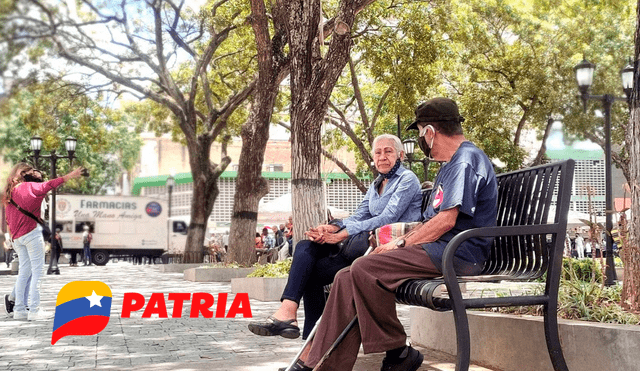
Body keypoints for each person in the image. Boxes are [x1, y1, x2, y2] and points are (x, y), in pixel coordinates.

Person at [285, 97, 498, 371]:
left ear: (429, 132)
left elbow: (446, 220)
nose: (421, 141)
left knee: (363, 268)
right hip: (438, 248)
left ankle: (398, 351)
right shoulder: (452, 164)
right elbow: (432, 220)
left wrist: (400, 243)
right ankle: (320, 364)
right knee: (346, 276)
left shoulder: (464, 161)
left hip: (458, 251)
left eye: (420, 133)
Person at [248, 133, 423, 342]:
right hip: (358, 246)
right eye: (378, 152)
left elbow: (388, 217)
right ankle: (292, 318)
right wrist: (331, 228)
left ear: (400, 155)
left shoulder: (407, 179)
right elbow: (359, 214)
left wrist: (342, 234)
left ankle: (308, 347)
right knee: (305, 248)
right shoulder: (377, 183)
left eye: (388, 151)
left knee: (309, 271)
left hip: (382, 250)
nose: (382, 157)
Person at [2, 163, 83, 320]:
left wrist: (12, 237)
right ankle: (34, 310)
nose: (33, 174)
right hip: (32, 234)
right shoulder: (31, 187)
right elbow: (51, 184)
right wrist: (69, 176)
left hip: (17, 238)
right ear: (23, 173)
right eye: (30, 172)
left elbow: (7, 218)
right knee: (37, 272)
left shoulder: (9, 192)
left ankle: (19, 310)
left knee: (24, 272)